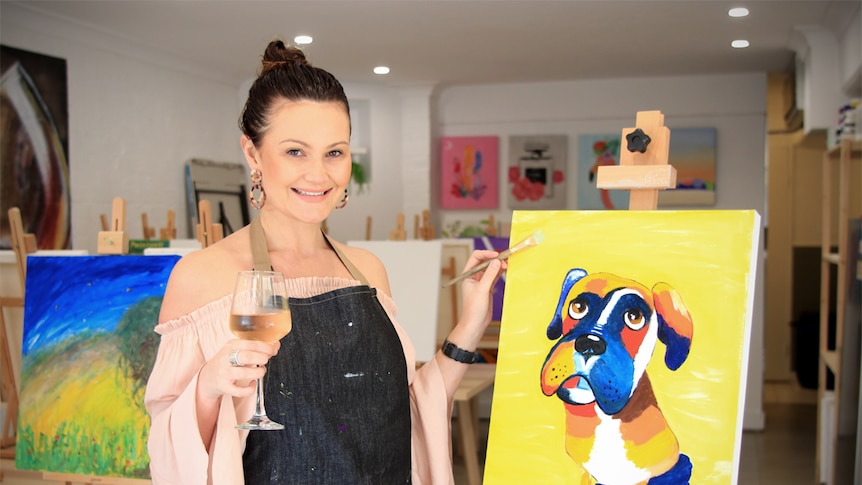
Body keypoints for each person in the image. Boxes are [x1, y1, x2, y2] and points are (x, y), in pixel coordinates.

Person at [144, 38, 505, 485]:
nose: (319, 175)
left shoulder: (367, 270)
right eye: (295, 151)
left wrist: (470, 323)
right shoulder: (203, 276)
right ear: (253, 154)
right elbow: (167, 448)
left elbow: (409, 411)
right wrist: (208, 385)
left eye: (334, 152)